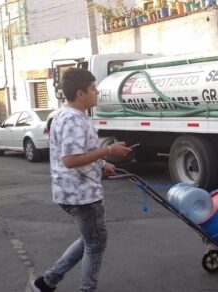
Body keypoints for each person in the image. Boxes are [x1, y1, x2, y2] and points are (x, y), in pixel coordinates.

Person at [30, 68, 131, 292]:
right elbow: (70, 159)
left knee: (90, 239)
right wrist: (107, 151)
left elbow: (78, 153)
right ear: (80, 94)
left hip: (72, 191)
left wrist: (102, 164)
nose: (97, 92)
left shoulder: (69, 116)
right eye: (93, 89)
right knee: (96, 243)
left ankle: (46, 282)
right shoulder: (73, 120)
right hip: (80, 194)